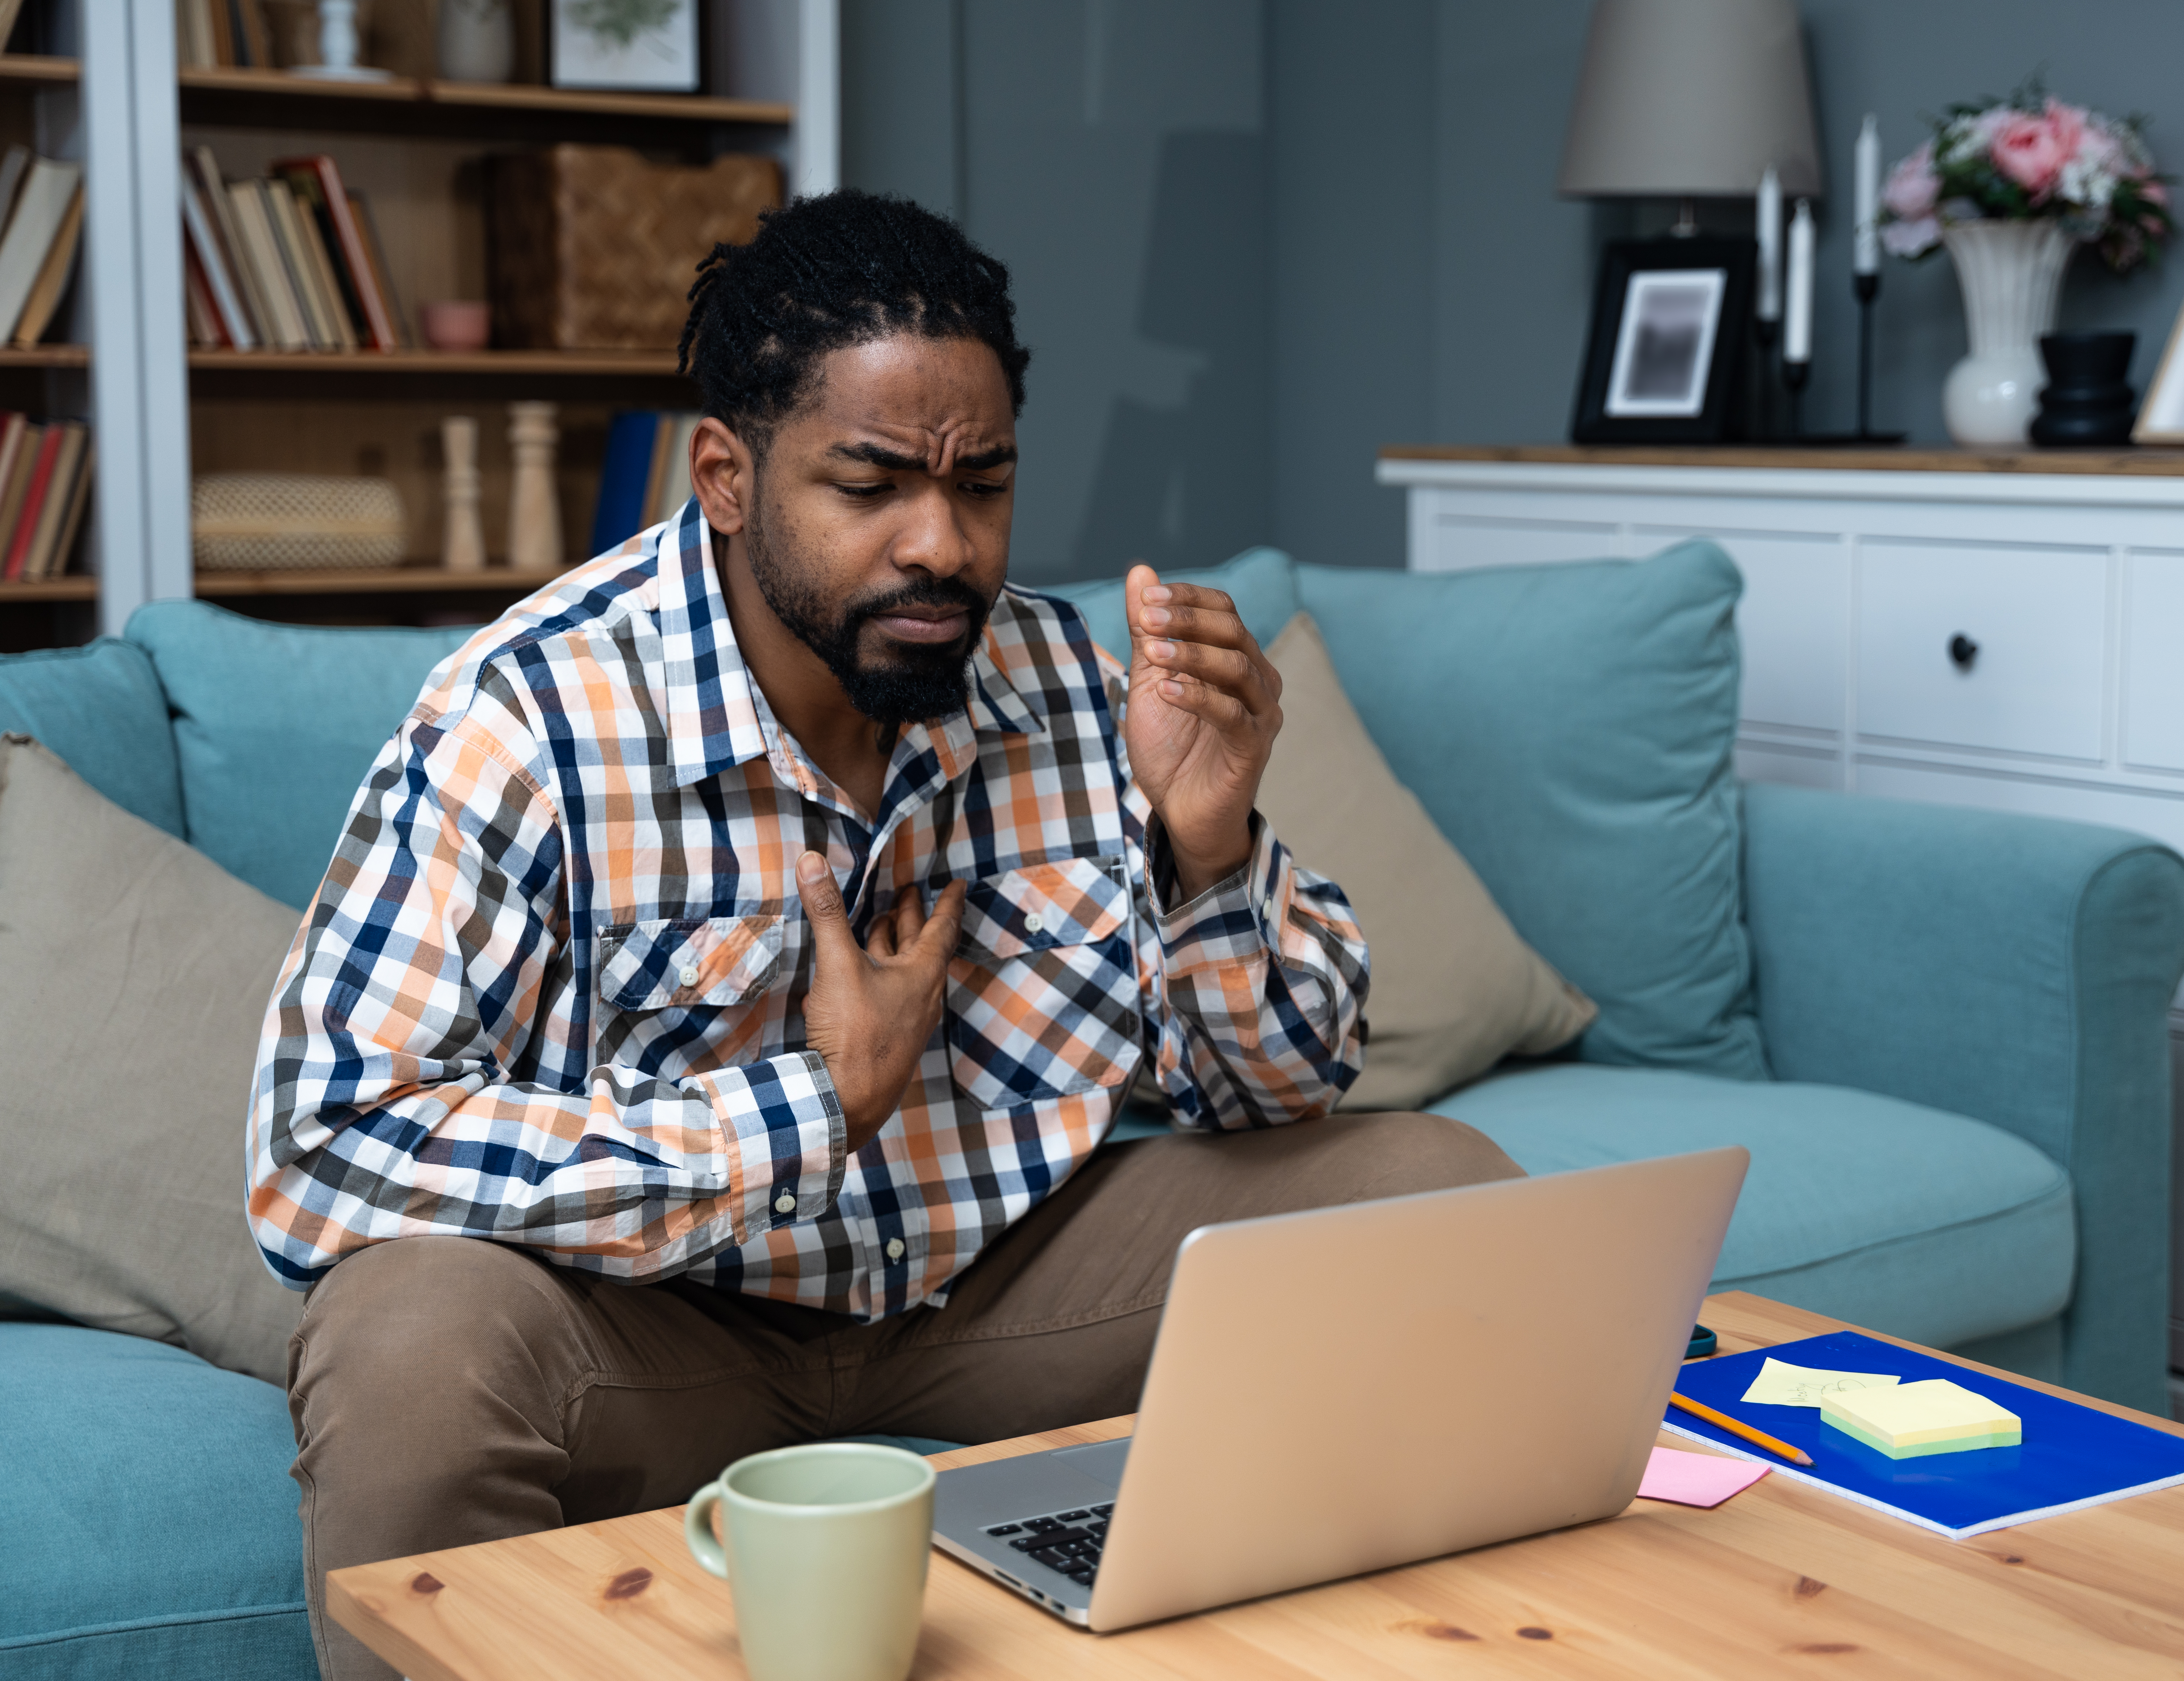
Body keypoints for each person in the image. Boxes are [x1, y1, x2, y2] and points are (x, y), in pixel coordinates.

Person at [246, 189, 1518, 1681]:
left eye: (984, 485)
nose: (943, 545)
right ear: (727, 475)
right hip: (660, 1324)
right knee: (409, 1349)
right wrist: (805, 1111)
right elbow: (324, 1146)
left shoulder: (1064, 683)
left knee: (1446, 1197)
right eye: (871, 485)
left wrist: (1207, 845)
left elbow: (1284, 1092)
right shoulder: (528, 717)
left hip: (998, 1292)